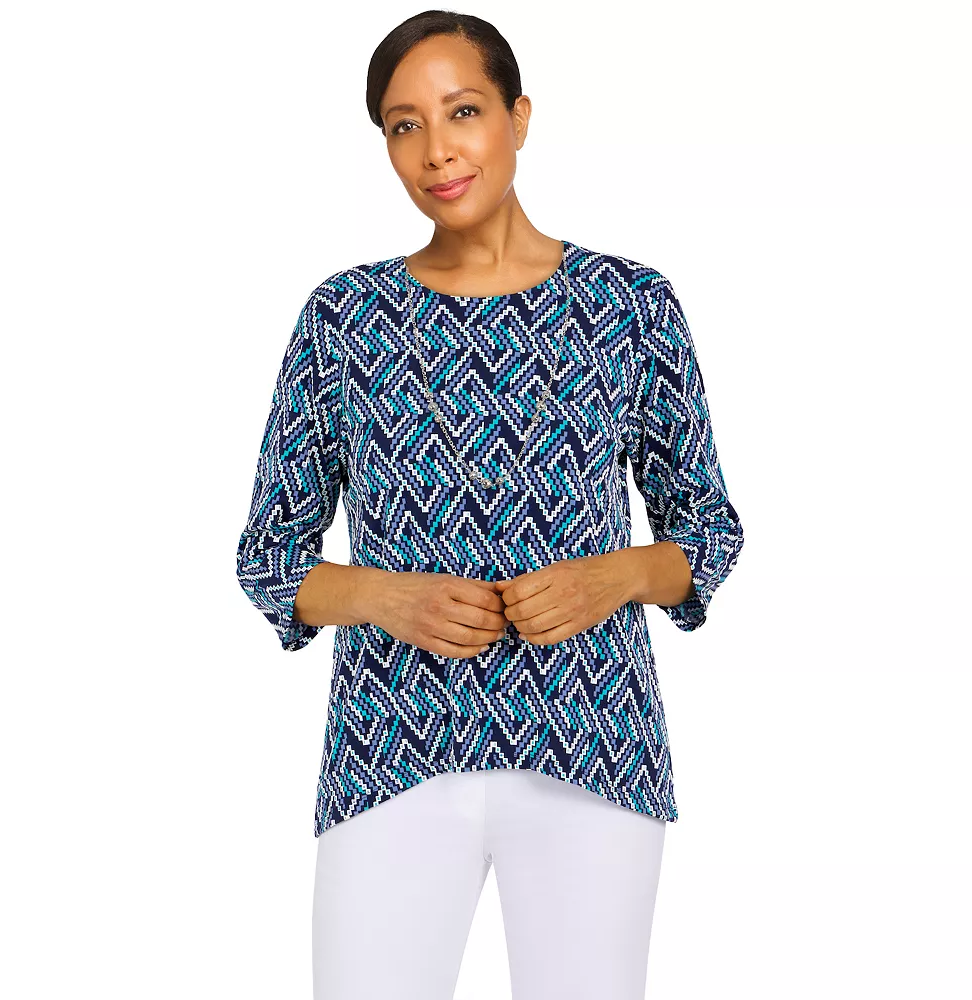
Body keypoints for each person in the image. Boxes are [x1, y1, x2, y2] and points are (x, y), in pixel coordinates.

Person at [235, 10, 744, 1000]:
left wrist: (616, 576)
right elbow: (269, 557)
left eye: (462, 111)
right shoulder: (344, 319)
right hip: (391, 747)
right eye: (404, 125)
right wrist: (388, 597)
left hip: (592, 744)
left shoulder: (629, 306)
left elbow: (708, 530)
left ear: (519, 116)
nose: (437, 149)